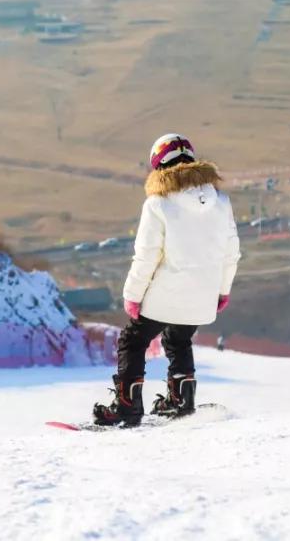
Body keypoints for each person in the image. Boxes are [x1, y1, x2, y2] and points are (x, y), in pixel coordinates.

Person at [93, 133, 241, 427]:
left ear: (159, 166)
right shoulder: (221, 201)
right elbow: (231, 253)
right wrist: (222, 291)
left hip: (165, 294)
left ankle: (127, 407)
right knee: (178, 338)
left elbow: (146, 256)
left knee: (132, 340)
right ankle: (181, 400)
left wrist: (132, 295)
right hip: (202, 296)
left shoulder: (158, 205)